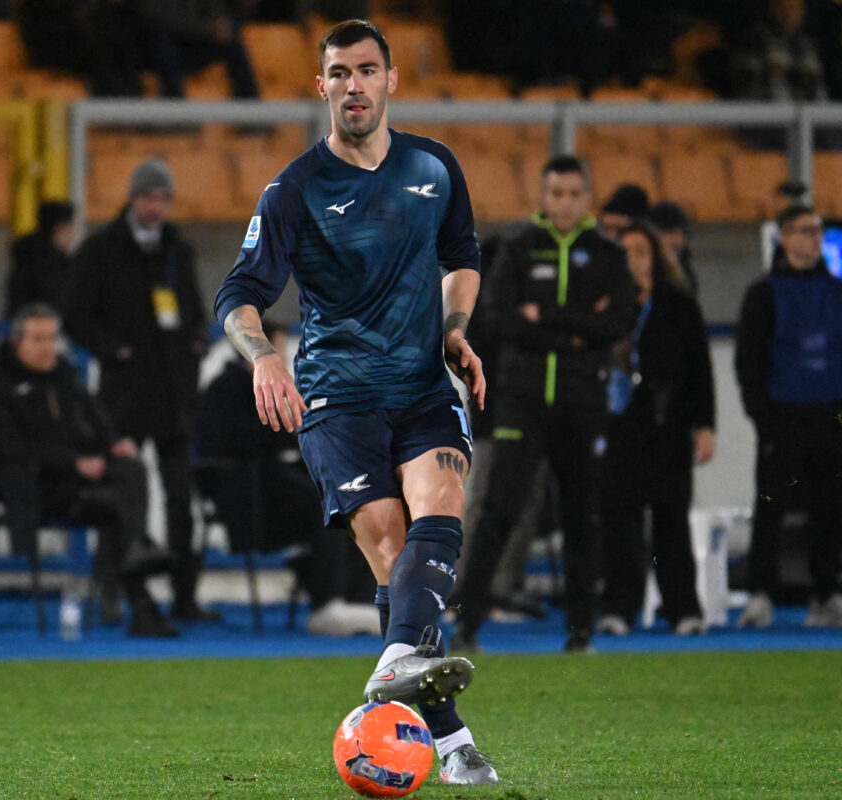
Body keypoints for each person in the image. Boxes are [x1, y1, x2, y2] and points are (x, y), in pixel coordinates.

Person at [213, 19, 497, 785]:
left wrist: (457, 328)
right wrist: (265, 356)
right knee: (384, 537)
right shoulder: (295, 191)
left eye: (367, 70)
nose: (354, 85)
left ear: (391, 80)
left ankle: (394, 670)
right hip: (338, 399)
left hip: (422, 387)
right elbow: (237, 294)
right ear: (322, 88)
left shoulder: (434, 168)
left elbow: (462, 255)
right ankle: (450, 739)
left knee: (442, 505)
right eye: (339, 73)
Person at [450, 155, 637, 655]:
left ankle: (580, 633)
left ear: (586, 198)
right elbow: (499, 319)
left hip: (582, 402)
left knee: (582, 516)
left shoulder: (606, 254)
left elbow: (617, 321)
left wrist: (546, 318)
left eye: (575, 195)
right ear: (542, 195)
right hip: (522, 401)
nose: (565, 204)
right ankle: (467, 626)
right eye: (557, 194)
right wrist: (577, 325)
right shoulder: (516, 247)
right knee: (498, 511)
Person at [62, 157, 216, 624]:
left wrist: (195, 343)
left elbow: (192, 307)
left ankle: (184, 598)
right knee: (124, 497)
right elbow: (75, 317)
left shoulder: (177, 249)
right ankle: (119, 592)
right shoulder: (100, 250)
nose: (157, 207)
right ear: (133, 198)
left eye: (163, 199)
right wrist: (115, 352)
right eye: (149, 197)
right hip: (124, 398)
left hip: (173, 395)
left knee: (179, 501)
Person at [0, 303, 177, 638]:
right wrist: (72, 463)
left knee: (130, 469)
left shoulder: (66, 375)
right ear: (17, 342)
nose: (47, 347)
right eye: (38, 339)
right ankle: (138, 591)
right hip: (33, 487)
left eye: (52, 339)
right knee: (118, 505)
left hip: (81, 483)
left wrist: (112, 445)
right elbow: (3, 448)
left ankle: (135, 580)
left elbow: (97, 421)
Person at [194, 320, 380, 636]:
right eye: (275, 348)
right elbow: (240, 445)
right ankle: (327, 601)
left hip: (278, 486)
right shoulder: (225, 389)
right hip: (249, 497)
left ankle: (355, 599)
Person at [735, 205, 842, 629]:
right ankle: (760, 594)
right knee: (771, 508)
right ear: (784, 237)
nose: (814, 239)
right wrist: (767, 420)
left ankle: (826, 595)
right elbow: (749, 365)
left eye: (818, 231)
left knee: (831, 513)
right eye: (805, 231)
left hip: (831, 421)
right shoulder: (762, 295)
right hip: (783, 421)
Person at [596, 223, 715, 637]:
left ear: (655, 258)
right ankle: (618, 609)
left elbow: (701, 370)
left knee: (671, 523)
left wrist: (706, 426)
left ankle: (683, 609)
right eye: (625, 252)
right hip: (619, 427)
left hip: (668, 426)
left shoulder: (679, 306)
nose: (634, 260)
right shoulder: (606, 306)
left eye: (642, 252)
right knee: (620, 525)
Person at [135, 0, 260, 99]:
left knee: (229, 41)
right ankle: (174, 105)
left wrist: (219, 23)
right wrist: (203, 28)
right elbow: (152, 16)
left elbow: (214, 8)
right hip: (150, 51)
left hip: (191, 44)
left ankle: (251, 109)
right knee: (160, 37)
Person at [4, 201, 75, 319]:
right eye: (70, 229)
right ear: (59, 228)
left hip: (21, 327)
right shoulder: (54, 266)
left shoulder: (25, 258)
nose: (72, 235)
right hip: (44, 329)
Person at [647, 200, 699, 295]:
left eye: (682, 233)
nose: (678, 239)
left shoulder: (685, 271)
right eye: (670, 232)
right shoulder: (643, 274)